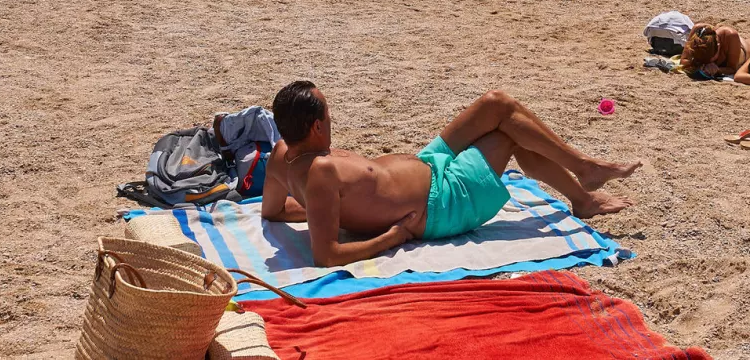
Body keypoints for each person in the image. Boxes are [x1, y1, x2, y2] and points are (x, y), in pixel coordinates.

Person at [261, 82, 638, 266]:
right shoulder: (322, 171)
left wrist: (320, 212)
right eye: (328, 114)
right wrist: (392, 237)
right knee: (512, 134)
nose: (332, 118)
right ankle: (585, 183)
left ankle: (584, 185)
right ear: (314, 127)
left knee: (498, 103)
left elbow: (273, 212)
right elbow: (326, 255)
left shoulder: (282, 155)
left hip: (430, 163)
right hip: (442, 202)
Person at [680, 23, 750, 79]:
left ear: (719, 47)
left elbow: (732, 68)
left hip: (742, 50)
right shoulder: (697, 31)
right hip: (720, 41)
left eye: (709, 59)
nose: (707, 62)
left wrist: (717, 69)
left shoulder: (730, 35)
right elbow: (683, 60)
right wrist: (698, 66)